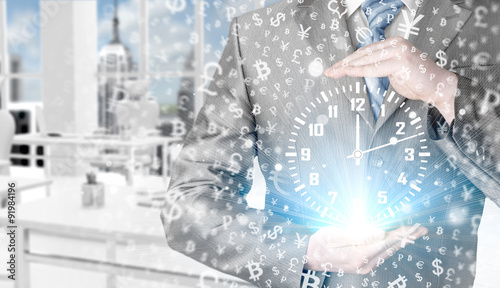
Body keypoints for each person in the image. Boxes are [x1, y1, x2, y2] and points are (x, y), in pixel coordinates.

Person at [161, 0, 500, 287]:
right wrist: (301, 250)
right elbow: (188, 202)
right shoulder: (256, 35)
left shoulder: (490, 23)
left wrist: (447, 91)